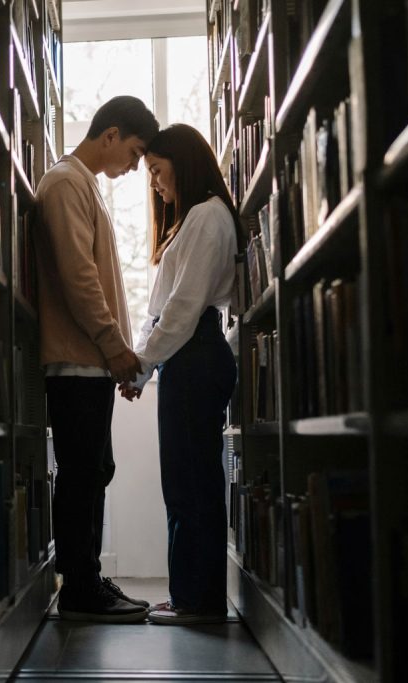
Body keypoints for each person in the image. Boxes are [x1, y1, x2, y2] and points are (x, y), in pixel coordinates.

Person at [34, 95, 159, 622]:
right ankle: (81, 590)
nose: (133, 167)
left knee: (94, 470)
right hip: (75, 359)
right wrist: (113, 346)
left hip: (90, 361)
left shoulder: (82, 185)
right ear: (110, 135)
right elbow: (79, 278)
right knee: (82, 473)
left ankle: (87, 579)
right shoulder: (66, 183)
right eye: (133, 153)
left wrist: (113, 355)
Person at [119, 123, 242, 625]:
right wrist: (144, 367)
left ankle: (199, 600)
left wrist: (142, 365)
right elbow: (165, 311)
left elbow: (182, 309)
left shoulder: (207, 216)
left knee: (192, 482)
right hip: (187, 358)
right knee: (186, 479)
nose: (153, 182)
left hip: (196, 356)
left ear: (182, 163)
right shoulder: (196, 217)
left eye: (156, 169)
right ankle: (190, 594)